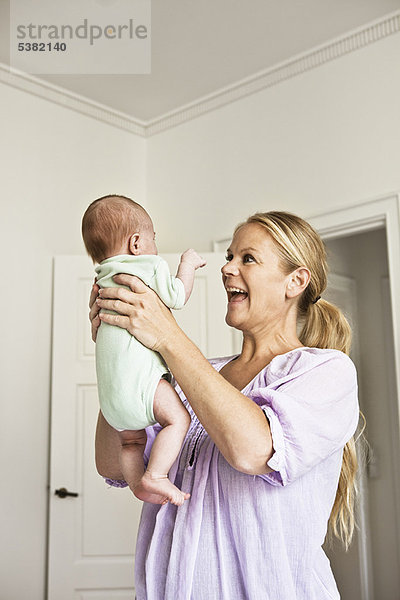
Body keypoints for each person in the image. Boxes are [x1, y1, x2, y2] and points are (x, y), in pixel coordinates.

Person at [90, 210, 361, 600]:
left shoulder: (325, 371)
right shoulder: (192, 375)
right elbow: (112, 462)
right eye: (230, 256)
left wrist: (167, 334)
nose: (227, 267)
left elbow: (252, 451)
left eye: (247, 258)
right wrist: (117, 354)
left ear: (295, 281)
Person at [82, 194, 206, 506]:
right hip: (143, 387)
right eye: (153, 239)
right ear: (136, 243)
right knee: (178, 420)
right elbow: (177, 296)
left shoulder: (102, 278)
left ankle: (138, 483)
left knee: (131, 443)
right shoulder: (148, 265)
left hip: (111, 400)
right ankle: (155, 477)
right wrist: (187, 265)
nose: (154, 246)